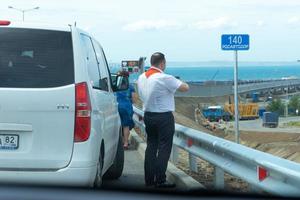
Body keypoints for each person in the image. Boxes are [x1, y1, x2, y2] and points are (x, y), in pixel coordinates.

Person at [137, 52, 189, 188]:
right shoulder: (164, 77)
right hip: (163, 117)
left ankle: (149, 180)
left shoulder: (141, 77)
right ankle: (160, 179)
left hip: (148, 115)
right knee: (164, 147)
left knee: (151, 146)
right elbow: (185, 88)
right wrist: (179, 82)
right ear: (162, 63)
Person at [116, 70, 137, 149]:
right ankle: (125, 143)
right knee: (126, 126)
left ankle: (118, 142)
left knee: (117, 125)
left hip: (116, 106)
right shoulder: (130, 86)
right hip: (126, 108)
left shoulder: (116, 85)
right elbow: (134, 99)